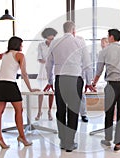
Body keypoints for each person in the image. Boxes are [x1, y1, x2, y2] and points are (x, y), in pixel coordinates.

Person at [44, 21, 95, 152]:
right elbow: (88, 64)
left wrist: (50, 81)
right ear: (73, 30)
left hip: (60, 79)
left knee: (60, 109)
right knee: (73, 111)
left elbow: (48, 64)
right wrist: (89, 82)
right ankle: (70, 142)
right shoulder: (79, 42)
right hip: (75, 79)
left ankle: (62, 140)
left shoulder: (55, 42)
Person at [0, 36, 39, 149]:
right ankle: (22, 137)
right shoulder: (19, 55)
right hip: (10, 84)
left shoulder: (4, 54)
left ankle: (0, 138)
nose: (22, 46)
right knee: (19, 110)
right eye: (21, 44)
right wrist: (30, 89)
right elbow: (24, 74)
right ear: (17, 45)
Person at [92, 29, 120, 152]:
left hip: (111, 86)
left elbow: (98, 70)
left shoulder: (104, 51)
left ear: (111, 37)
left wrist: (93, 83)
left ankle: (107, 138)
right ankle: (118, 143)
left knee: (109, 112)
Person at [35, 28, 58, 121]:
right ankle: (39, 111)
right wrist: (49, 62)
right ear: (46, 37)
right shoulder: (41, 45)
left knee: (51, 92)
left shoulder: (56, 45)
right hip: (42, 71)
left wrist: (51, 62)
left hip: (52, 71)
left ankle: (49, 111)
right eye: (50, 38)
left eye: (53, 38)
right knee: (41, 92)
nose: (51, 40)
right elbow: (40, 59)